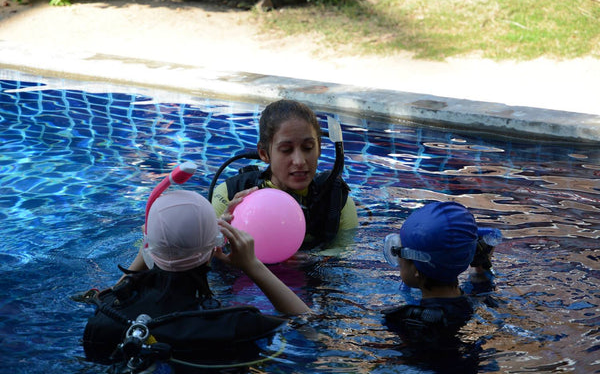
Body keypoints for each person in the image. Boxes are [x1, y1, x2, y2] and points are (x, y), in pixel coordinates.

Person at [82, 190, 310, 372]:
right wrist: (253, 266)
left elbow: (112, 295)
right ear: (214, 250)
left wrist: (148, 247)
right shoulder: (238, 324)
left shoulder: (106, 317)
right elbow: (308, 324)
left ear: (148, 247)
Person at [210, 99, 358, 249]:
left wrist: (316, 260)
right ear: (264, 153)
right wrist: (219, 233)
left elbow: (346, 254)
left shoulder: (337, 200)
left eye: (308, 147)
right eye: (286, 150)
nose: (299, 161)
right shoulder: (230, 194)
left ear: (319, 148)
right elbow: (202, 255)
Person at [381, 201, 499, 344]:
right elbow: (482, 286)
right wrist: (480, 267)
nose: (399, 261)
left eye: (398, 253)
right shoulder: (474, 302)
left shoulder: (405, 322)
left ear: (416, 269)